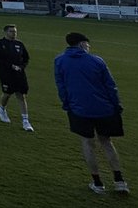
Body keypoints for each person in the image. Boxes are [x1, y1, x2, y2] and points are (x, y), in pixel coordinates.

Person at [54, 32, 129, 194]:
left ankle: (98, 183)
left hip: (78, 108)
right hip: (104, 108)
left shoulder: (60, 61)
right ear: (82, 44)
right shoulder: (96, 60)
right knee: (106, 142)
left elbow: (61, 86)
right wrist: (116, 105)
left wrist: (67, 104)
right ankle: (119, 180)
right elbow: (110, 85)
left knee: (87, 143)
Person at [0, 24, 33, 132]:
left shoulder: (19, 44)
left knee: (21, 95)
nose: (14, 34)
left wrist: (21, 67)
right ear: (6, 32)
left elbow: (26, 58)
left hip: (19, 73)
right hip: (5, 73)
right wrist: (9, 65)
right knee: (7, 93)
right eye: (11, 31)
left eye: (15, 32)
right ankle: (2, 109)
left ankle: (25, 121)